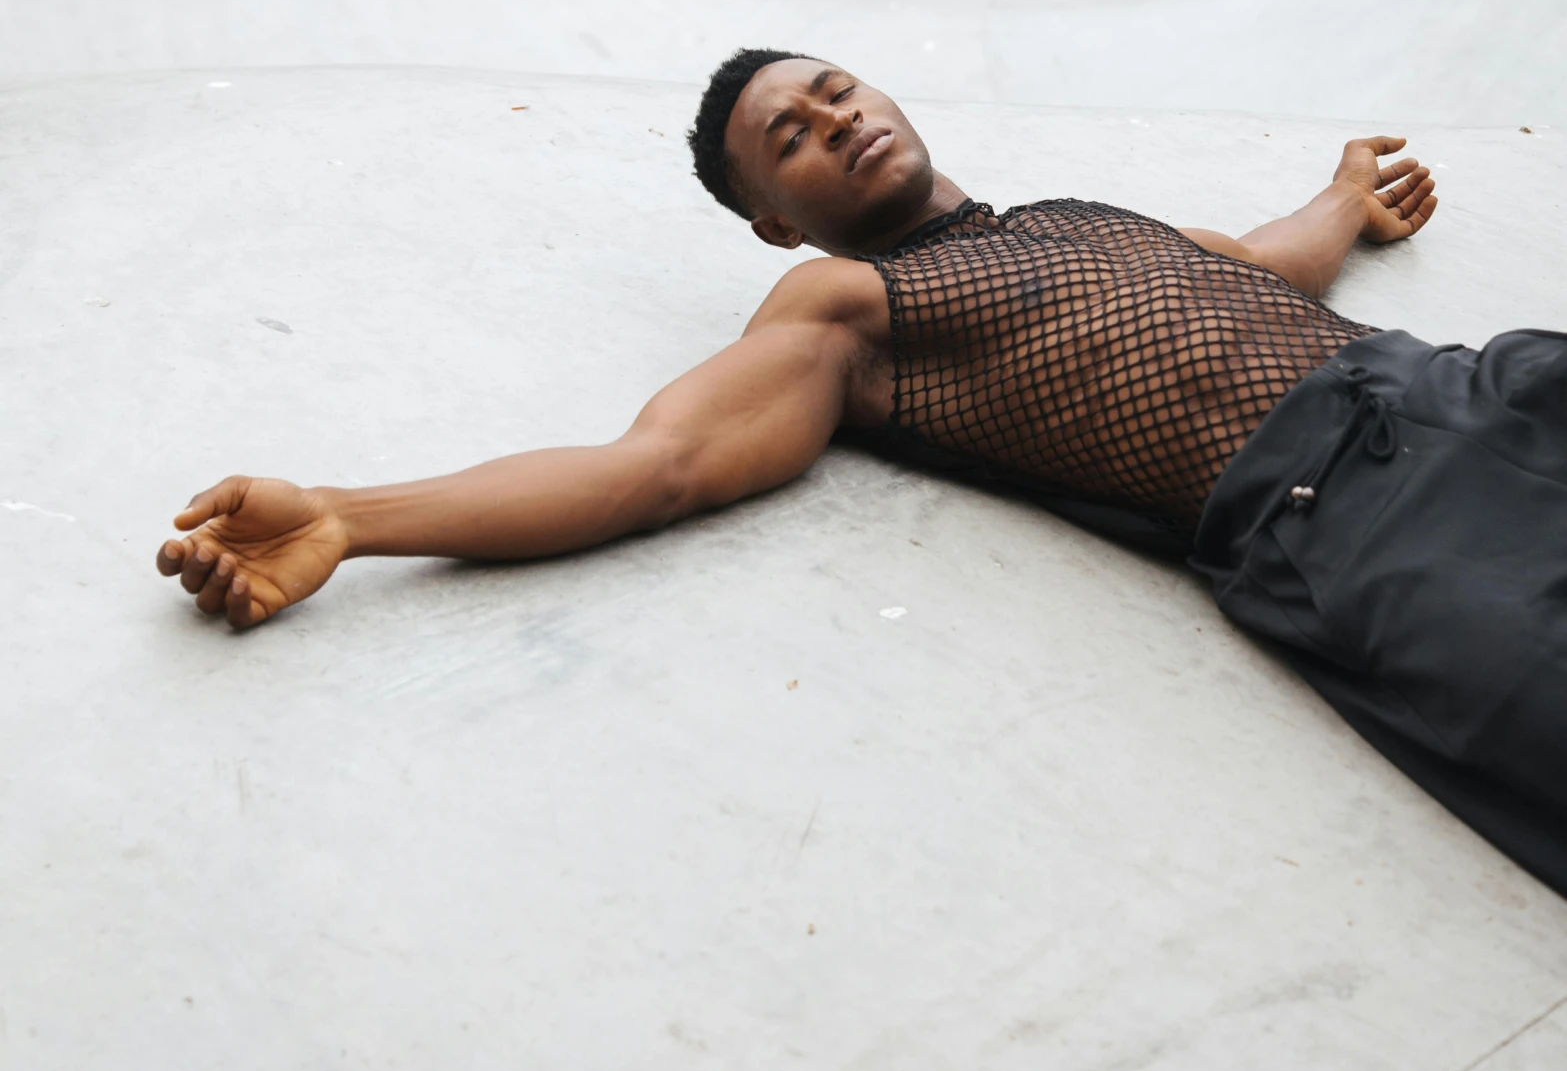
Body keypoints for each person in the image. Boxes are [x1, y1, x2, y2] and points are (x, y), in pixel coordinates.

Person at [158, 49, 1567, 898]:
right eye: (791, 135)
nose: (832, 118)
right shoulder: (841, 310)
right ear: (774, 221)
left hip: (1461, 382)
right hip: (1347, 519)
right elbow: (652, 464)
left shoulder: (1072, 212)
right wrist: (353, 511)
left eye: (832, 89)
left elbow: (1253, 271)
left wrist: (1339, 196)